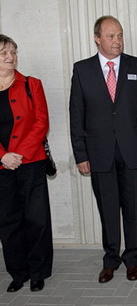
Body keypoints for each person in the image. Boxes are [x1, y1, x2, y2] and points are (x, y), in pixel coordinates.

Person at [69, 16, 137, 283]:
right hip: (99, 153)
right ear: (97, 38)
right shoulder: (82, 70)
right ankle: (110, 260)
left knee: (133, 209)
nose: (117, 40)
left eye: (119, 35)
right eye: (111, 36)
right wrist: (81, 154)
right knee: (107, 209)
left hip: (133, 150)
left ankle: (133, 260)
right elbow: (76, 115)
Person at [0, 34, 53, 292]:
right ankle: (18, 273)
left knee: (36, 219)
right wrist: (3, 156)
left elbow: (41, 123)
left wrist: (18, 154)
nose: (11, 57)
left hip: (30, 162)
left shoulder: (32, 84)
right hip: (1, 166)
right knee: (8, 221)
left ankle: (38, 272)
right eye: (4, 53)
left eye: (13, 51)